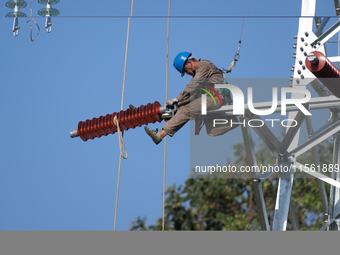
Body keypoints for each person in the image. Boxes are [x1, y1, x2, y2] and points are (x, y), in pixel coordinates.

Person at [144, 52, 235, 145]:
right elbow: (192, 93)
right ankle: (148, 114)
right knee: (178, 105)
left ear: (189, 63)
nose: (187, 73)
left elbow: (193, 86)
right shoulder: (200, 70)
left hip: (218, 98)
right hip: (211, 96)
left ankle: (160, 135)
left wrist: (177, 99)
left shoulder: (203, 66)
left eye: (186, 71)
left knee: (186, 109)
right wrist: (177, 102)